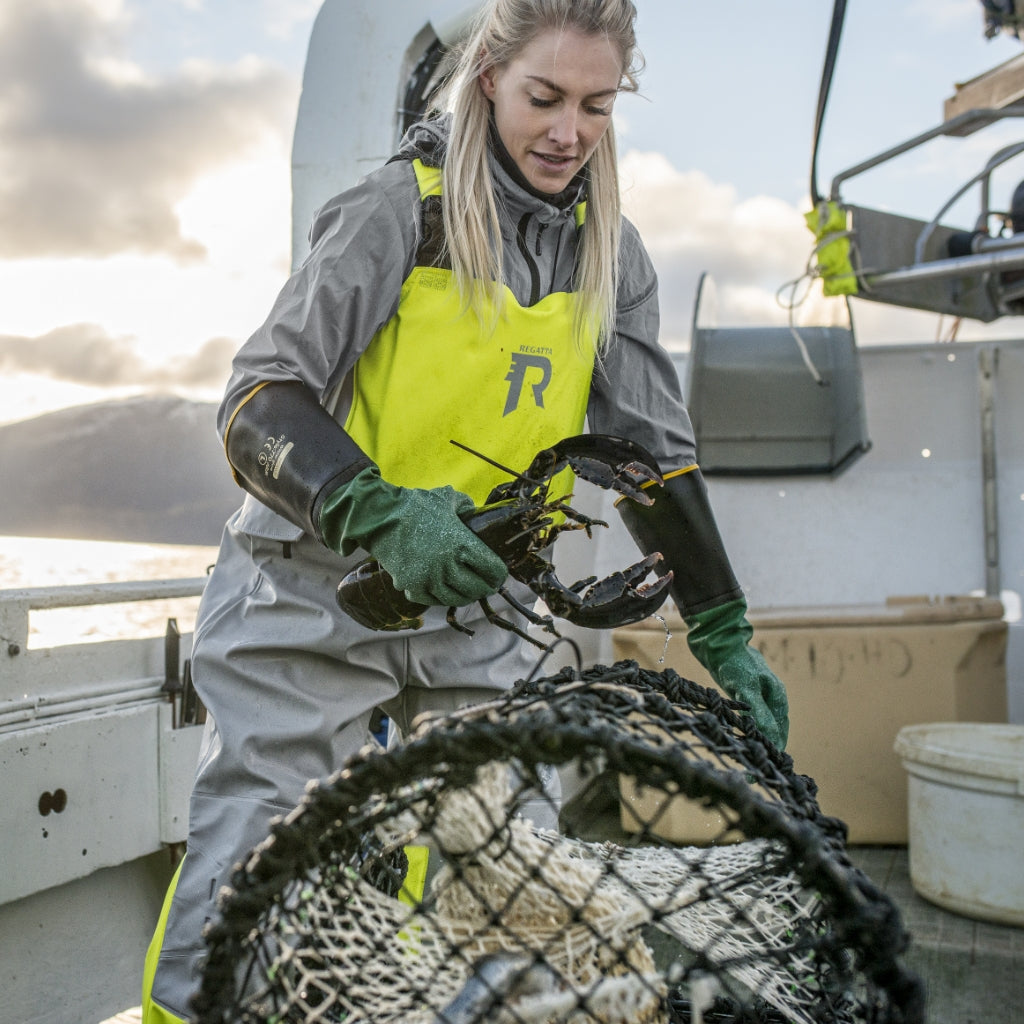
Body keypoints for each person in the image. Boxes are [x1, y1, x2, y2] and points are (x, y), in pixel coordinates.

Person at [142, 1, 789, 1019]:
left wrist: (723, 628)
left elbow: (651, 460)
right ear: (487, 76)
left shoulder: (613, 260)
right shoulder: (394, 212)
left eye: (594, 105)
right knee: (258, 860)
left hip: (479, 612)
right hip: (310, 593)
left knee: (498, 862)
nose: (568, 131)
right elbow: (257, 400)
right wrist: (383, 514)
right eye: (543, 97)